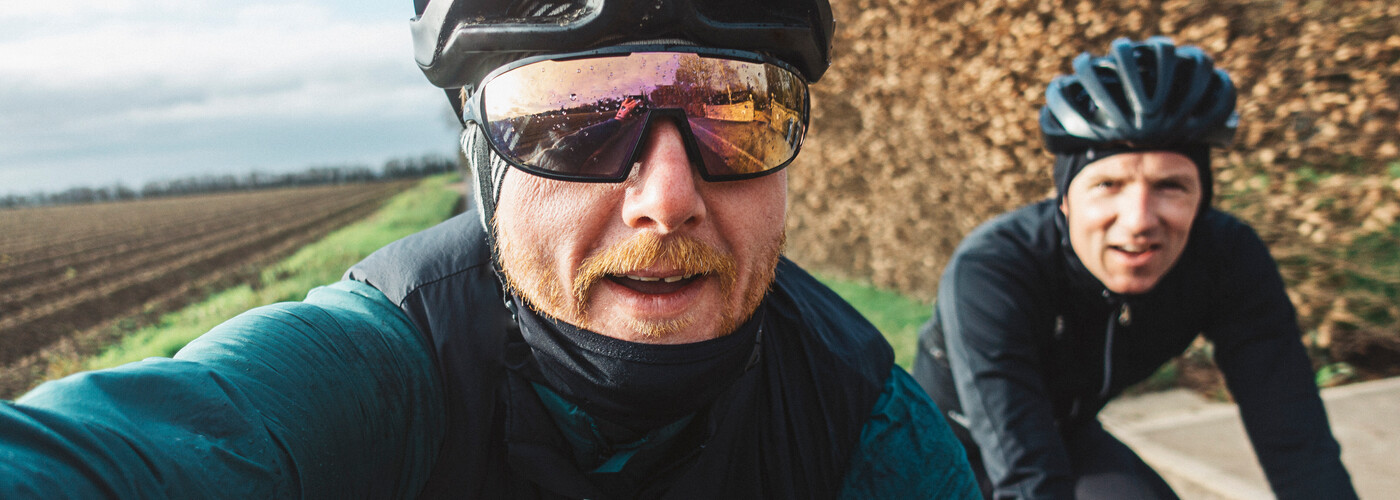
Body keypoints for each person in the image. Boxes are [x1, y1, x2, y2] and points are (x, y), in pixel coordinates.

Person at [0, 0, 979, 497]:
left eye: (738, 118)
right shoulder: (376, 364)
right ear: (479, 163)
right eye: (575, 123)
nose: (668, 197)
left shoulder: (861, 417)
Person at [911, 37, 1357, 500]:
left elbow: (1295, 435)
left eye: (1170, 186)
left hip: (1066, 434)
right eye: (1108, 184)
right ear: (1064, 200)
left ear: (1202, 199)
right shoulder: (994, 269)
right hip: (934, 454)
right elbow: (1028, 477)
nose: (1140, 221)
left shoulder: (1226, 258)